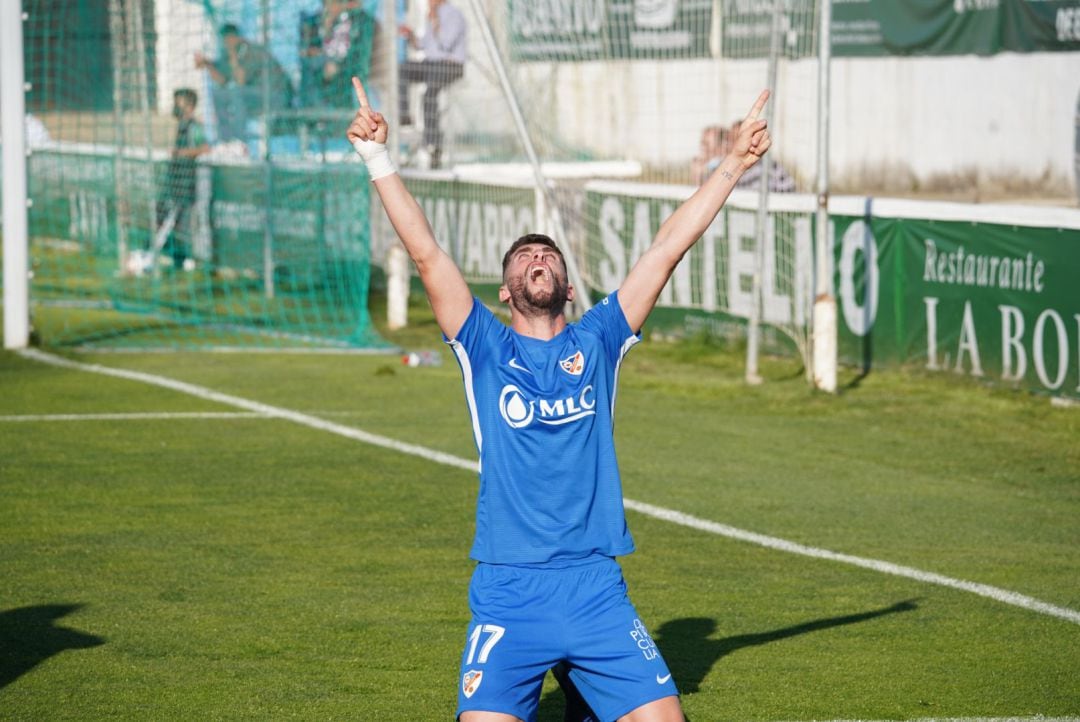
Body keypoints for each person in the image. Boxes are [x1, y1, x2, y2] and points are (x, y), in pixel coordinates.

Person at [346, 76, 771, 722]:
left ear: (569, 288)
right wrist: (379, 158)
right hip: (510, 589)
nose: (538, 257)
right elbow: (428, 255)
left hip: (595, 588)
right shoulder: (484, 346)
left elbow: (665, 250)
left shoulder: (599, 340)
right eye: (524, 258)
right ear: (507, 293)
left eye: (548, 253)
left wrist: (733, 163)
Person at [195, 24, 294, 142]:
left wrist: (233, 56)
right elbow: (222, 81)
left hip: (277, 96)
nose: (227, 43)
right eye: (225, 40)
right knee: (218, 94)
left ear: (237, 38)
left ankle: (239, 142)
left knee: (237, 93)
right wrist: (208, 65)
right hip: (256, 97)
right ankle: (225, 142)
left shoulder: (254, 52)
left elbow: (240, 81)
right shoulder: (227, 55)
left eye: (229, 39)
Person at [398, 0, 466, 168]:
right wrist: (411, 35)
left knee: (429, 93)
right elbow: (423, 46)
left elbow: (445, 44)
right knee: (402, 70)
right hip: (431, 64)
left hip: (450, 65)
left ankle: (433, 144)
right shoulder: (430, 16)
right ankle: (404, 117)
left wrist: (435, 20)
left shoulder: (454, 15)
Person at [153, 88, 209, 271]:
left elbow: (205, 148)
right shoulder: (181, 125)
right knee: (163, 213)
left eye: (180, 102)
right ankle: (166, 253)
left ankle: (184, 257)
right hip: (175, 177)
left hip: (187, 179)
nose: (176, 106)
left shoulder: (195, 127)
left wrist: (182, 153)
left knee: (183, 220)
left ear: (190, 106)